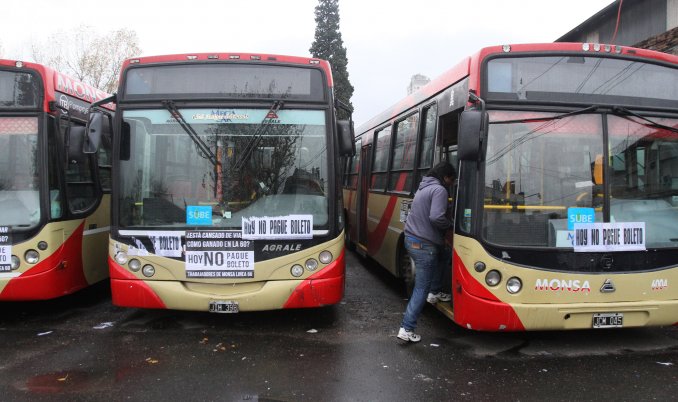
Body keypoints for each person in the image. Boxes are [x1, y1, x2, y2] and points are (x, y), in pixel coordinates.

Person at [397, 161, 456, 343]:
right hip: (424, 246)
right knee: (421, 288)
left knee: (445, 254)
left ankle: (435, 291)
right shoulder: (440, 190)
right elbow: (436, 217)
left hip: (412, 240)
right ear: (446, 177)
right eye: (452, 180)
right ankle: (406, 328)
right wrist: (451, 225)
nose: (452, 183)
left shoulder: (424, 187)